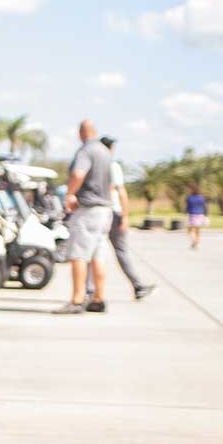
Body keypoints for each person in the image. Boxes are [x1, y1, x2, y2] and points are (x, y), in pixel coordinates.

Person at [87, 136, 154, 301]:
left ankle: (89, 290)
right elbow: (119, 191)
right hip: (112, 213)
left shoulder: (93, 165)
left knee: (92, 252)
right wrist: (125, 216)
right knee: (118, 251)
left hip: (98, 212)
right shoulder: (111, 165)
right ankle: (137, 285)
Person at [57, 119, 114, 314]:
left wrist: (70, 194)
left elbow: (79, 174)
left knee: (78, 255)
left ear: (81, 132)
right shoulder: (106, 152)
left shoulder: (86, 151)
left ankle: (77, 299)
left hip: (88, 209)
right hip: (105, 210)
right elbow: (111, 185)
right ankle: (98, 298)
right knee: (98, 255)